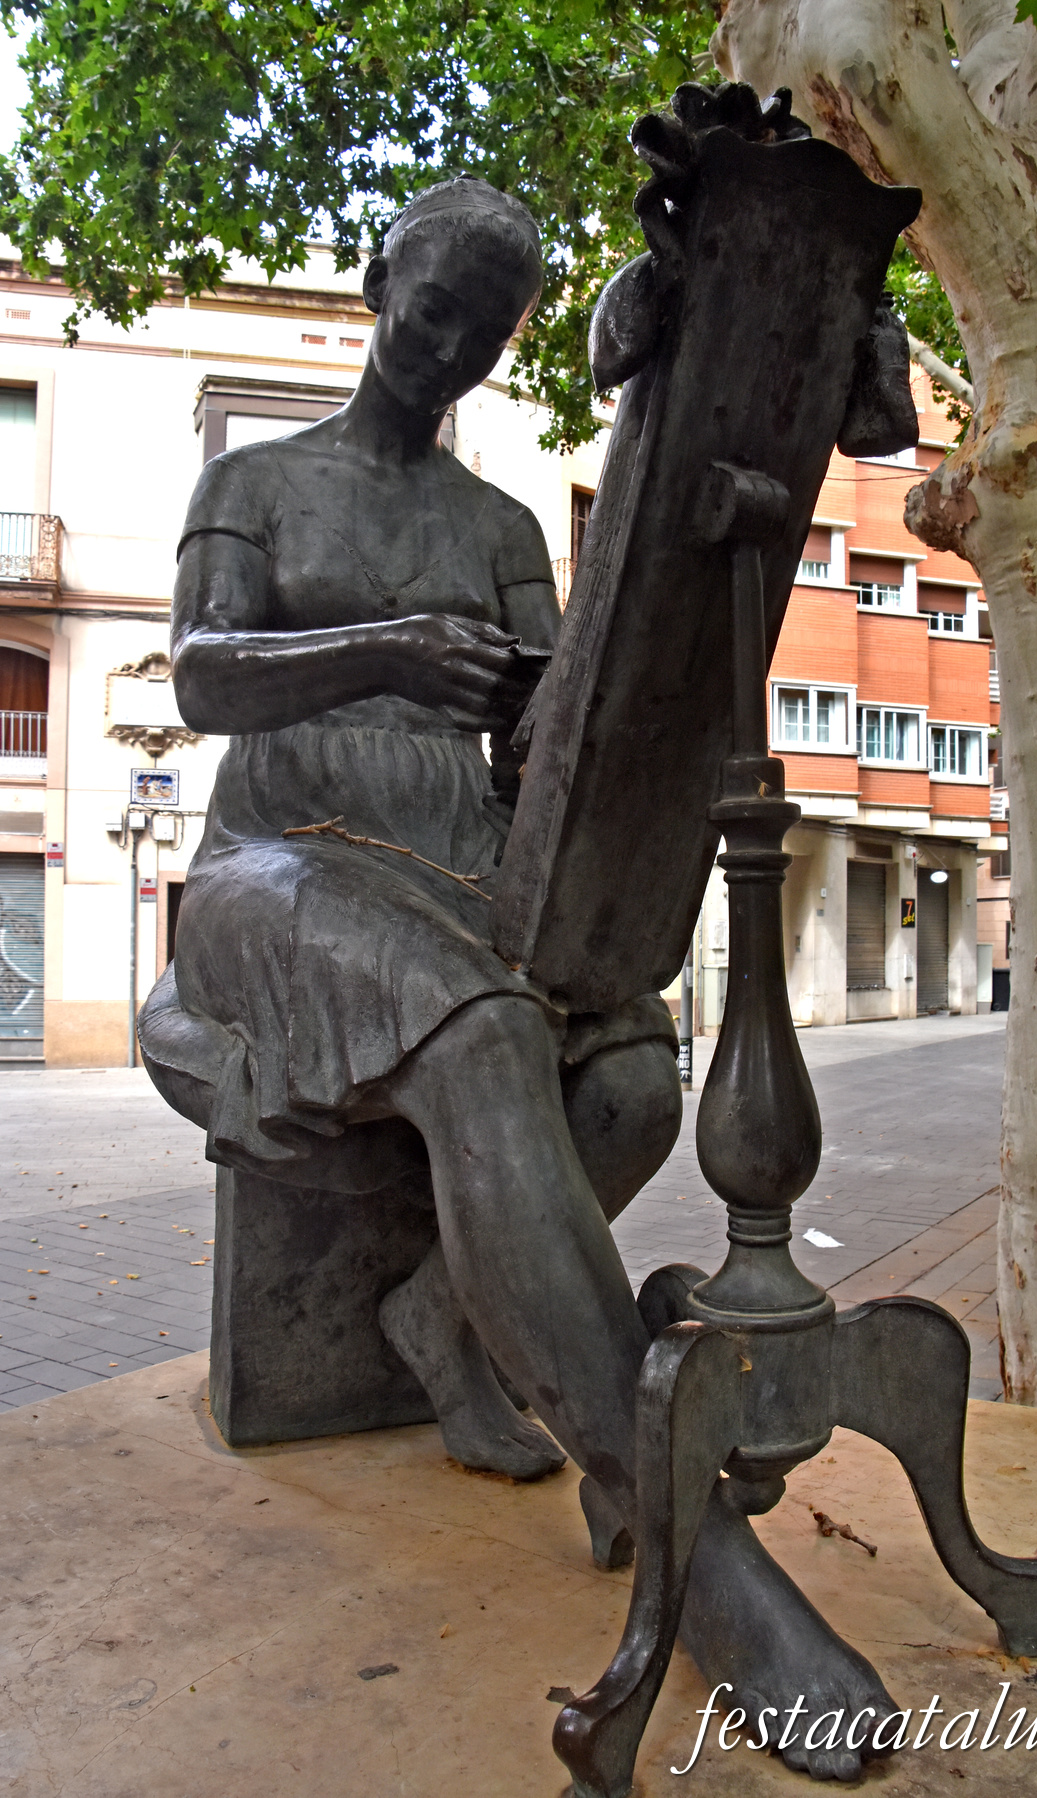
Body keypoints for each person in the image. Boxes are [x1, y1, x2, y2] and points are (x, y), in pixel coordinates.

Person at [141, 176, 891, 1778]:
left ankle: (449, 1316)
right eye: (433, 310)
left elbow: (549, 715)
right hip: (274, 868)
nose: (450, 347)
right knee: (485, 1032)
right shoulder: (257, 481)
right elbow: (201, 672)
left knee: (629, 1064)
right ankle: (698, 1552)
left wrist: (589, 673)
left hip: (454, 867)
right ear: (377, 283)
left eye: (485, 332)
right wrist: (388, 651)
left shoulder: (494, 530)